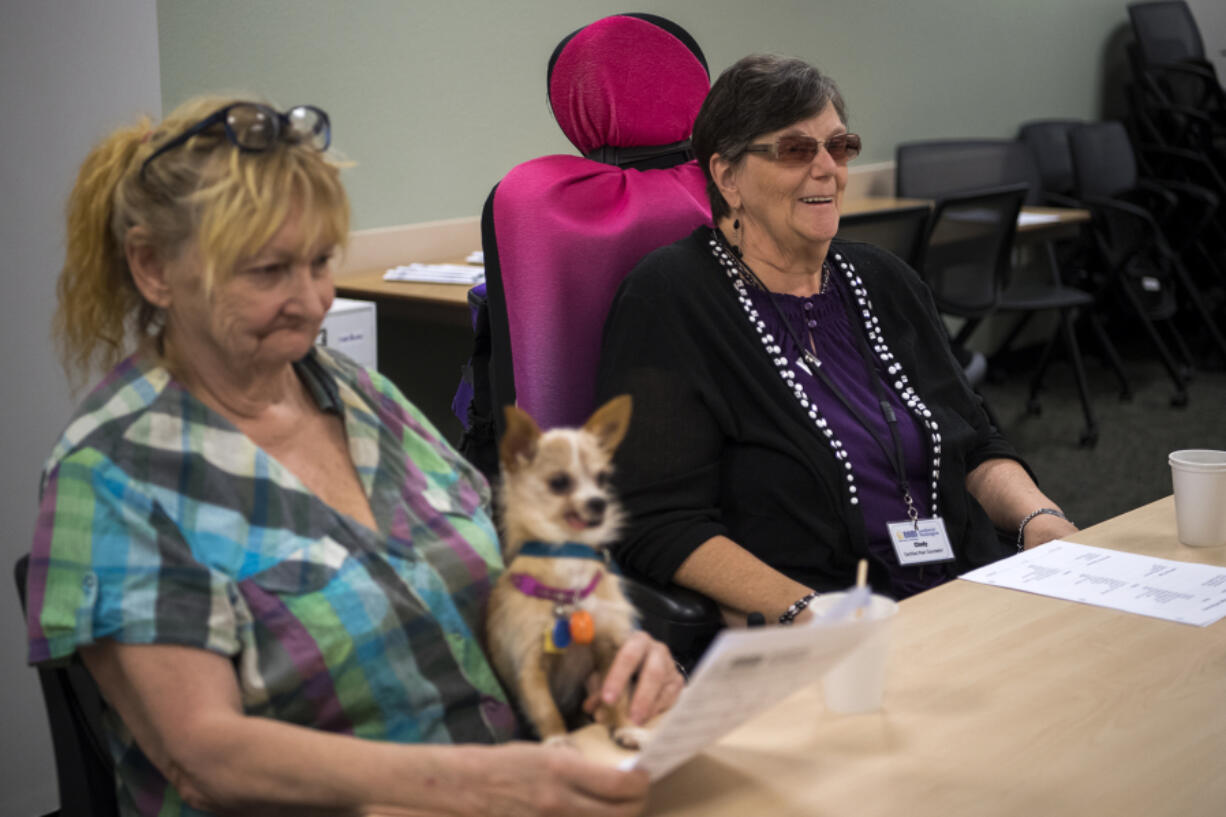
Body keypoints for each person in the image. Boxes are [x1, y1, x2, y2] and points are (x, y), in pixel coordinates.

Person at [25, 95, 681, 817]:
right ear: (153, 268)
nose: (312, 303)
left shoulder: (359, 394)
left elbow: (513, 575)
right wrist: (481, 783)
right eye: (270, 271)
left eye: (320, 262)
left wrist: (607, 653)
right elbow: (204, 753)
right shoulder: (114, 471)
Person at [597, 55, 1077, 624]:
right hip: (821, 627)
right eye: (797, 149)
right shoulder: (671, 298)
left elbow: (975, 444)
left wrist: (1042, 522)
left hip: (967, 589)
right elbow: (659, 522)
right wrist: (806, 611)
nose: (828, 168)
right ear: (728, 177)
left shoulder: (884, 278)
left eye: (839, 146)